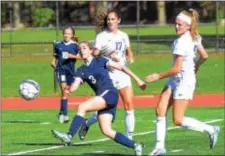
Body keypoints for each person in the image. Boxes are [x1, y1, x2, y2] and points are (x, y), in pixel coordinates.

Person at [145, 9, 221, 155]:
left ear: (188, 26)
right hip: (176, 80)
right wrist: (195, 66)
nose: (176, 26)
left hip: (183, 82)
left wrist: (157, 76)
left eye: (180, 24)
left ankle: (211, 129)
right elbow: (204, 56)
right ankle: (160, 147)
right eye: (175, 23)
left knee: (178, 120)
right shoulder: (194, 36)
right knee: (160, 110)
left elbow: (176, 68)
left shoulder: (182, 42)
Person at [51, 41, 146, 155]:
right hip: (103, 97)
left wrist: (138, 79)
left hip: (109, 93)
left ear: (91, 50)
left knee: (82, 107)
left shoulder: (100, 60)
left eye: (84, 48)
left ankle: (69, 135)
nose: (81, 50)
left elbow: (121, 67)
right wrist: (69, 89)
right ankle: (136, 145)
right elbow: (75, 85)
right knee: (106, 131)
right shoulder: (81, 70)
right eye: (79, 49)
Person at [78, 9, 137, 141]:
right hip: (108, 75)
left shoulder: (123, 35)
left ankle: (130, 138)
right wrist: (106, 52)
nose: (110, 21)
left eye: (113, 19)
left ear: (118, 20)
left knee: (129, 105)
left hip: (122, 73)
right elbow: (96, 53)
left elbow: (129, 51)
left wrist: (131, 57)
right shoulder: (101, 36)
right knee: (106, 107)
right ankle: (87, 123)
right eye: (108, 19)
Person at [51, 26, 81, 123]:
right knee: (64, 91)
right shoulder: (58, 44)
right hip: (61, 70)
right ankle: (65, 115)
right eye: (65, 33)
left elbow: (82, 56)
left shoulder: (75, 45)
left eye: (68, 33)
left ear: (72, 35)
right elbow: (56, 56)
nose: (66, 35)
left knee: (67, 92)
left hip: (71, 72)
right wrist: (53, 62)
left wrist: (72, 56)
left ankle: (61, 112)